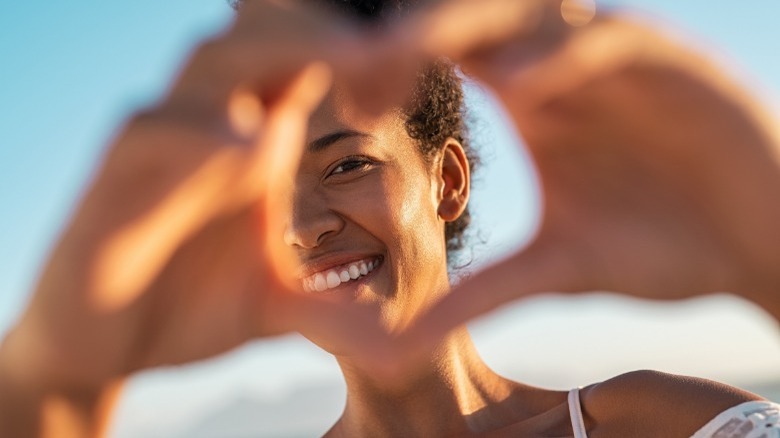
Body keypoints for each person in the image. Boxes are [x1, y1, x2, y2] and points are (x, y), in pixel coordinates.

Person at [0, 0, 778, 437]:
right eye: (266, 196)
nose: (302, 227)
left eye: (346, 166)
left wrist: (765, 242)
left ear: (445, 180)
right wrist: (51, 387)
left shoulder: (647, 428)